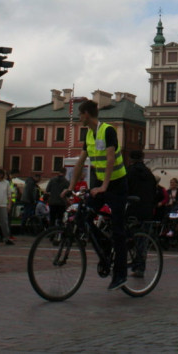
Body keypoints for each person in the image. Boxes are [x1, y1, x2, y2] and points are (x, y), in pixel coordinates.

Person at [66, 99, 129, 291]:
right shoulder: (90, 135)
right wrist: (70, 186)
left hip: (117, 184)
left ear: (86, 114)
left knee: (119, 230)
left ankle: (120, 275)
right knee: (84, 216)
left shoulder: (107, 130)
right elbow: (80, 162)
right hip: (101, 184)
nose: (78, 118)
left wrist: (104, 186)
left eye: (79, 114)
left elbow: (111, 159)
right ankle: (104, 247)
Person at [126, 150, 159, 228]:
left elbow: (124, 188)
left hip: (132, 206)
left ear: (130, 159)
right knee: (144, 230)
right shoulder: (149, 173)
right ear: (142, 158)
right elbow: (154, 190)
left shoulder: (129, 171)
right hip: (147, 207)